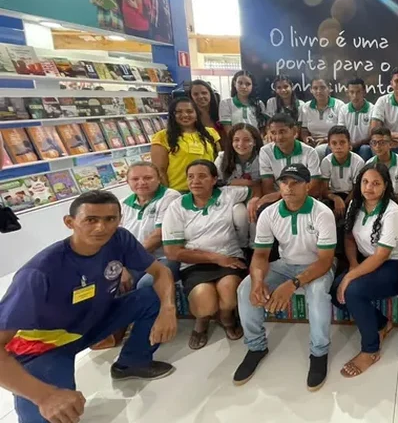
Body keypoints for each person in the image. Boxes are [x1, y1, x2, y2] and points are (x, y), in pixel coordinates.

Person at [0, 191, 177, 423]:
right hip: (45, 346)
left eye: (110, 219)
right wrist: (44, 396)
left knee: (151, 297)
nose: (101, 228)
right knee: (52, 412)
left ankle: (132, 362)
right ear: (70, 222)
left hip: (92, 321)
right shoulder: (38, 273)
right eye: (91, 220)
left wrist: (168, 309)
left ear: (119, 219)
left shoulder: (119, 239)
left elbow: (160, 272)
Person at [235, 164, 337, 390]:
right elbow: (260, 254)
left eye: (295, 182)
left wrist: (293, 284)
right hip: (285, 264)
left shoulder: (322, 213)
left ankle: (319, 352)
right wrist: (259, 281)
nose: (289, 188)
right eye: (284, 182)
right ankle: (256, 346)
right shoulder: (269, 213)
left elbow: (325, 261)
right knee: (245, 289)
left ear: (307, 185)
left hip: (316, 265)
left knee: (319, 295)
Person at [161, 160, 251, 350]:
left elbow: (255, 188)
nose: (195, 181)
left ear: (214, 179)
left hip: (231, 257)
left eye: (202, 176)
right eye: (191, 177)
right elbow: (172, 252)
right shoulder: (177, 207)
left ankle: (227, 318)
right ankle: (202, 321)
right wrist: (215, 257)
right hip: (195, 262)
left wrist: (252, 197)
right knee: (204, 302)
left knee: (228, 294)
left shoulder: (227, 194)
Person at [331, 163, 398, 378]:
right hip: (365, 262)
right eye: (365, 182)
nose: (369, 187)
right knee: (335, 291)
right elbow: (349, 239)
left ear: (385, 186)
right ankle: (382, 324)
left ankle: (370, 350)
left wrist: (351, 277)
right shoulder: (356, 203)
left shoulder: (392, 212)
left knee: (352, 291)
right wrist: (353, 265)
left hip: (392, 266)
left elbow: (382, 255)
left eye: (375, 183)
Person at [121, 162, 182, 290]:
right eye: (135, 179)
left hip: (164, 257)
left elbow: (158, 236)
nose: (142, 182)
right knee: (110, 283)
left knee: (145, 285)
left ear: (159, 179)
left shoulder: (171, 197)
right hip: (133, 259)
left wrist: (128, 261)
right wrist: (120, 265)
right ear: (127, 182)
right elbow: (115, 238)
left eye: (148, 178)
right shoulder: (124, 204)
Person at [249, 114, 321, 221]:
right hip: (277, 199)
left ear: (295, 131)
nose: (278, 137)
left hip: (304, 197)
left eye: (282, 132)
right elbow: (267, 186)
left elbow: (314, 186)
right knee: (260, 210)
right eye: (273, 133)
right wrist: (285, 198)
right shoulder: (266, 151)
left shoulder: (310, 152)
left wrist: (288, 196)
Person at [151, 97, 220, 193]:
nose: (184, 115)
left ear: (196, 114)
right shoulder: (162, 137)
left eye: (189, 111)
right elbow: (159, 170)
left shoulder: (211, 133)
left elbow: (218, 161)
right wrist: (167, 194)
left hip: (208, 189)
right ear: (172, 115)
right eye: (178, 112)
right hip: (178, 191)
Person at [216, 123, 264, 250]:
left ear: (255, 142)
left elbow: (262, 183)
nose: (240, 144)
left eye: (247, 140)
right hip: (232, 199)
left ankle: (255, 248)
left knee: (254, 214)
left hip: (255, 196)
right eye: (236, 140)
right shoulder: (222, 158)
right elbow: (215, 181)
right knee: (239, 216)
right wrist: (234, 183)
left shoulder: (262, 158)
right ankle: (242, 247)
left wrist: (255, 195)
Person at [319, 126, 366, 218]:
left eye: (342, 142)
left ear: (349, 144)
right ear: (329, 145)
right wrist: (336, 199)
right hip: (332, 196)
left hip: (351, 196)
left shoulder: (358, 162)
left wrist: (344, 205)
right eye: (334, 143)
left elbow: (356, 189)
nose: (338, 147)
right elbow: (324, 189)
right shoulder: (326, 162)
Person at [300, 77, 345, 158]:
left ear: (329, 88)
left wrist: (326, 139)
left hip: (333, 142)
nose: (319, 91)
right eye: (315, 88)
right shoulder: (306, 107)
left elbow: (341, 131)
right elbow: (304, 130)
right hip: (312, 143)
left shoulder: (339, 105)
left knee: (317, 151)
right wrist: (306, 139)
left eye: (322, 87)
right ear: (311, 90)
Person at [367, 126, 398, 203]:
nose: (377, 146)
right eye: (374, 143)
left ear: (390, 144)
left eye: (381, 142)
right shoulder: (369, 164)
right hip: (377, 200)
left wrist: (392, 200)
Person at [337, 78, 374, 161]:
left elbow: (372, 134)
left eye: (358, 92)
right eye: (352, 92)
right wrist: (347, 144)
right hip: (347, 145)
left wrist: (355, 144)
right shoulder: (343, 109)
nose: (355, 96)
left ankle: (363, 173)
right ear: (347, 93)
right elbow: (341, 132)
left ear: (364, 92)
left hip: (365, 145)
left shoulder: (373, 109)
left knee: (365, 149)